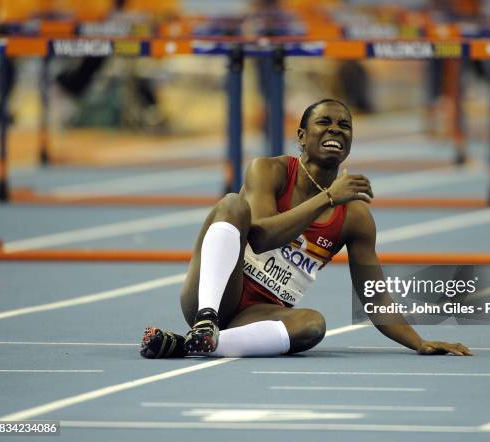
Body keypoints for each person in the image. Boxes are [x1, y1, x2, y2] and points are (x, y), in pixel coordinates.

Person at [140, 98, 472, 358]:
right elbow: (262, 236)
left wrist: (418, 341)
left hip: (257, 316)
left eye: (345, 126)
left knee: (313, 324)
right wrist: (327, 198)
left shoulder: (354, 217)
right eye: (324, 123)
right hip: (216, 293)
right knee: (232, 204)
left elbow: (374, 296)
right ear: (301, 135)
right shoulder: (270, 171)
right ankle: (205, 322)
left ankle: (189, 345)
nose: (335, 130)